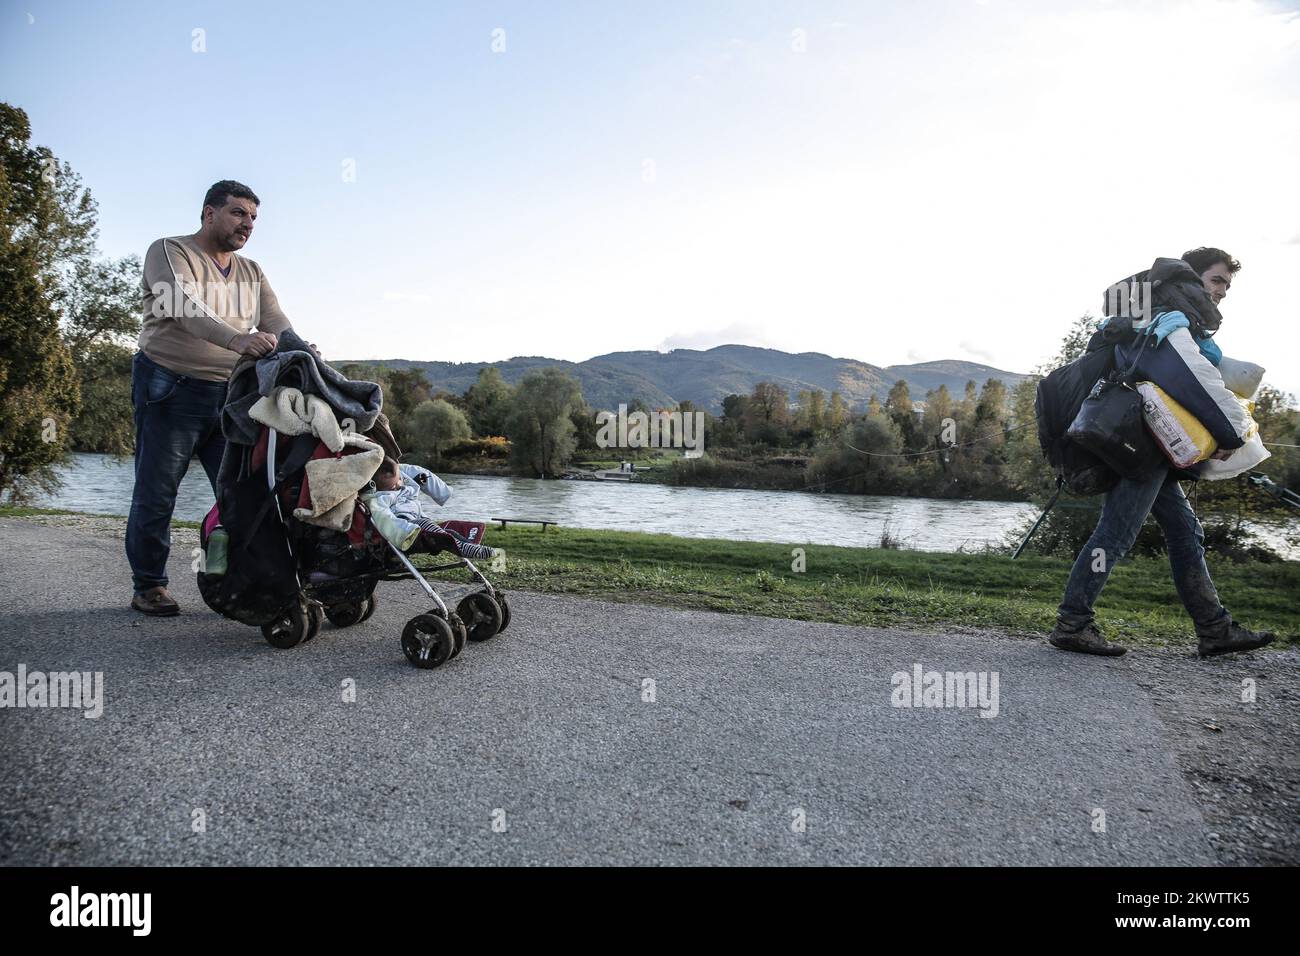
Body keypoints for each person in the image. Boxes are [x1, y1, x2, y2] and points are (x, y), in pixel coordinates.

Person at [1050, 247, 1275, 658]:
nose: (1223, 290)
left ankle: (1214, 628)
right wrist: (1228, 434)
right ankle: (1073, 622)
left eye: (1227, 283)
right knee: (1115, 534)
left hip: (1148, 443)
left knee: (1184, 531)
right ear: (1192, 278)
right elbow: (1190, 382)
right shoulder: (1169, 321)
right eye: (1218, 280)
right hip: (1144, 448)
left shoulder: (1156, 317)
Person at [127, 180, 315, 616]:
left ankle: (237, 582)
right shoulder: (170, 251)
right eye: (237, 213)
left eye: (252, 218)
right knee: (158, 492)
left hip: (233, 397)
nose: (246, 224)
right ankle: (149, 584)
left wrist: (305, 354)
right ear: (209, 212)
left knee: (241, 496)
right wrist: (237, 339)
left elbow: (277, 322)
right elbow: (181, 303)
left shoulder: (251, 271)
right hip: (169, 387)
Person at [368, 457, 498, 562]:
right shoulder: (380, 498)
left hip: (418, 521)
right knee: (433, 529)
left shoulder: (399, 485)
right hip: (406, 528)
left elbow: (406, 488)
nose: (399, 485)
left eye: (400, 480)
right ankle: (466, 548)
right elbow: (385, 518)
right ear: (379, 488)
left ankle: (471, 547)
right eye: (394, 486)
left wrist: (415, 481)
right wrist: (404, 531)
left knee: (447, 532)